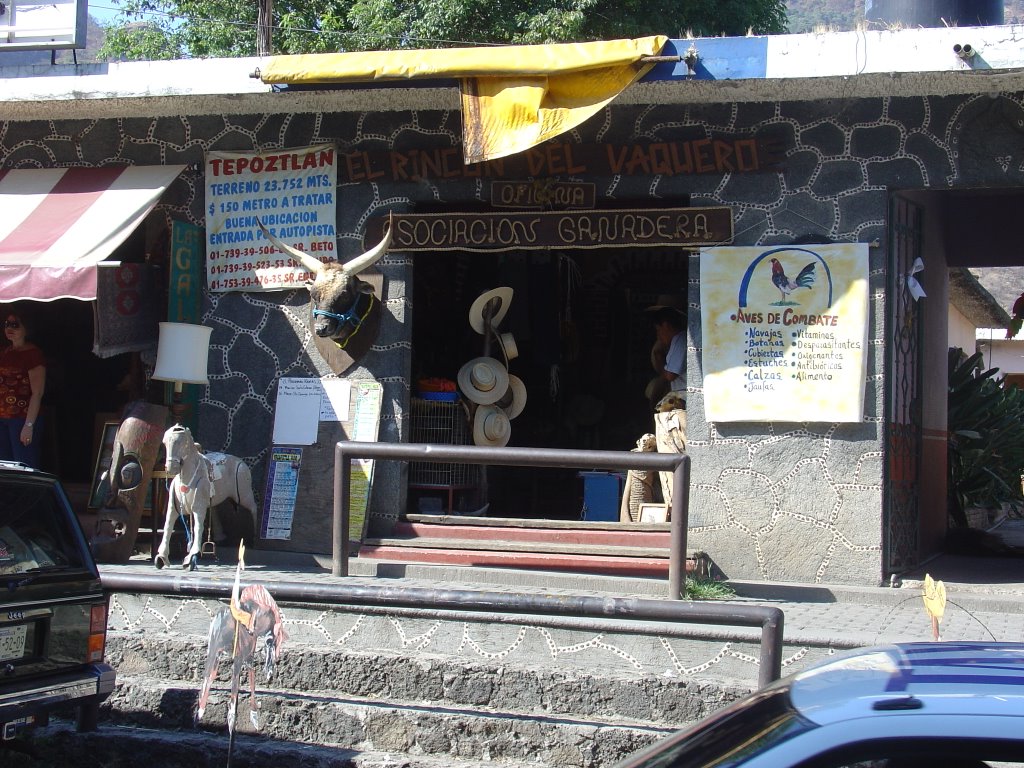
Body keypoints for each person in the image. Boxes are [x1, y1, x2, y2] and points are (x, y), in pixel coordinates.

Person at [645, 296, 687, 511]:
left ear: (666, 326)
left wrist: (659, 356)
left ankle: (673, 505)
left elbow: (669, 375)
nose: (659, 335)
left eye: (659, 330)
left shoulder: (679, 340)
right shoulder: (677, 341)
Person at [0, 308, 46, 468]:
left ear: (26, 328)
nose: (9, 329)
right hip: (2, 418)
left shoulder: (32, 354)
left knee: (23, 466)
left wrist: (28, 425)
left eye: (15, 325)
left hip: (22, 418)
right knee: (4, 467)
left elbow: (37, 393)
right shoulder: (5, 353)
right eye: (7, 324)